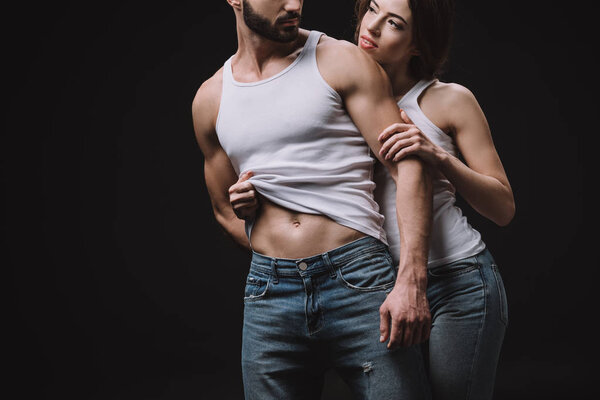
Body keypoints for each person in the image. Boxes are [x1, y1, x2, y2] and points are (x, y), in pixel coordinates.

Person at [233, 0, 515, 399]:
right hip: (377, 282)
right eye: (372, 11)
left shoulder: (448, 100)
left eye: (395, 23)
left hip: (457, 280)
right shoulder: (338, 92)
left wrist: (439, 160)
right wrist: (252, 200)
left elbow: (502, 207)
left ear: (417, 44)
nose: (373, 27)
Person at [192, 1, 433, 398]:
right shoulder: (211, 98)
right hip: (269, 294)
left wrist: (411, 279)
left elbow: (407, 167)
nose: (295, 4)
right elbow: (223, 208)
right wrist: (258, 225)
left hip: (357, 278)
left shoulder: (340, 61)